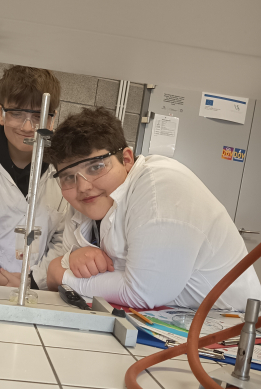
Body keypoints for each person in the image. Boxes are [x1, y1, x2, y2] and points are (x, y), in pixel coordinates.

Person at [45, 107, 261, 311]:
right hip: (167, 317)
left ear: (127, 159)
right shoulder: (84, 204)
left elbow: (141, 293)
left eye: (95, 167)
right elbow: (71, 262)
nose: (83, 186)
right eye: (68, 177)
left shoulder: (160, 187)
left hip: (230, 321)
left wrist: (59, 274)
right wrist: (72, 259)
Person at [0, 65, 67, 289]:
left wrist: (35, 280)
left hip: (36, 289)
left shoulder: (64, 170)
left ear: (52, 120)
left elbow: (63, 237)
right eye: (17, 113)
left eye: (38, 116)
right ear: (1, 113)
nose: (27, 126)